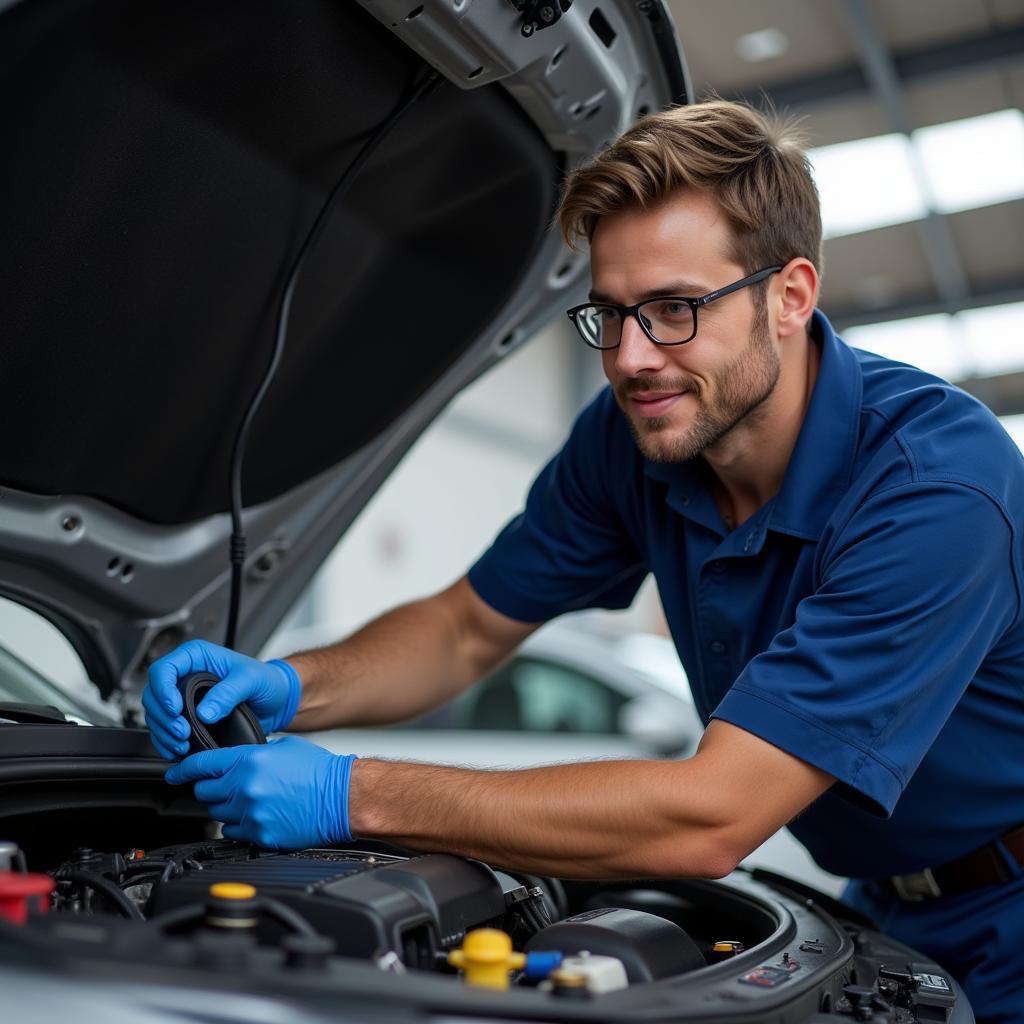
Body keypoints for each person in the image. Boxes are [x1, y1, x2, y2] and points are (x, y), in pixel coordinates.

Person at [143, 100, 1024, 1020]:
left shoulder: (935, 488)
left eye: (674, 309)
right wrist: (288, 682)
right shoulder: (633, 440)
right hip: (883, 899)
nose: (632, 359)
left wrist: (347, 793)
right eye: (610, 314)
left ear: (791, 296)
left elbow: (712, 813)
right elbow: (465, 627)